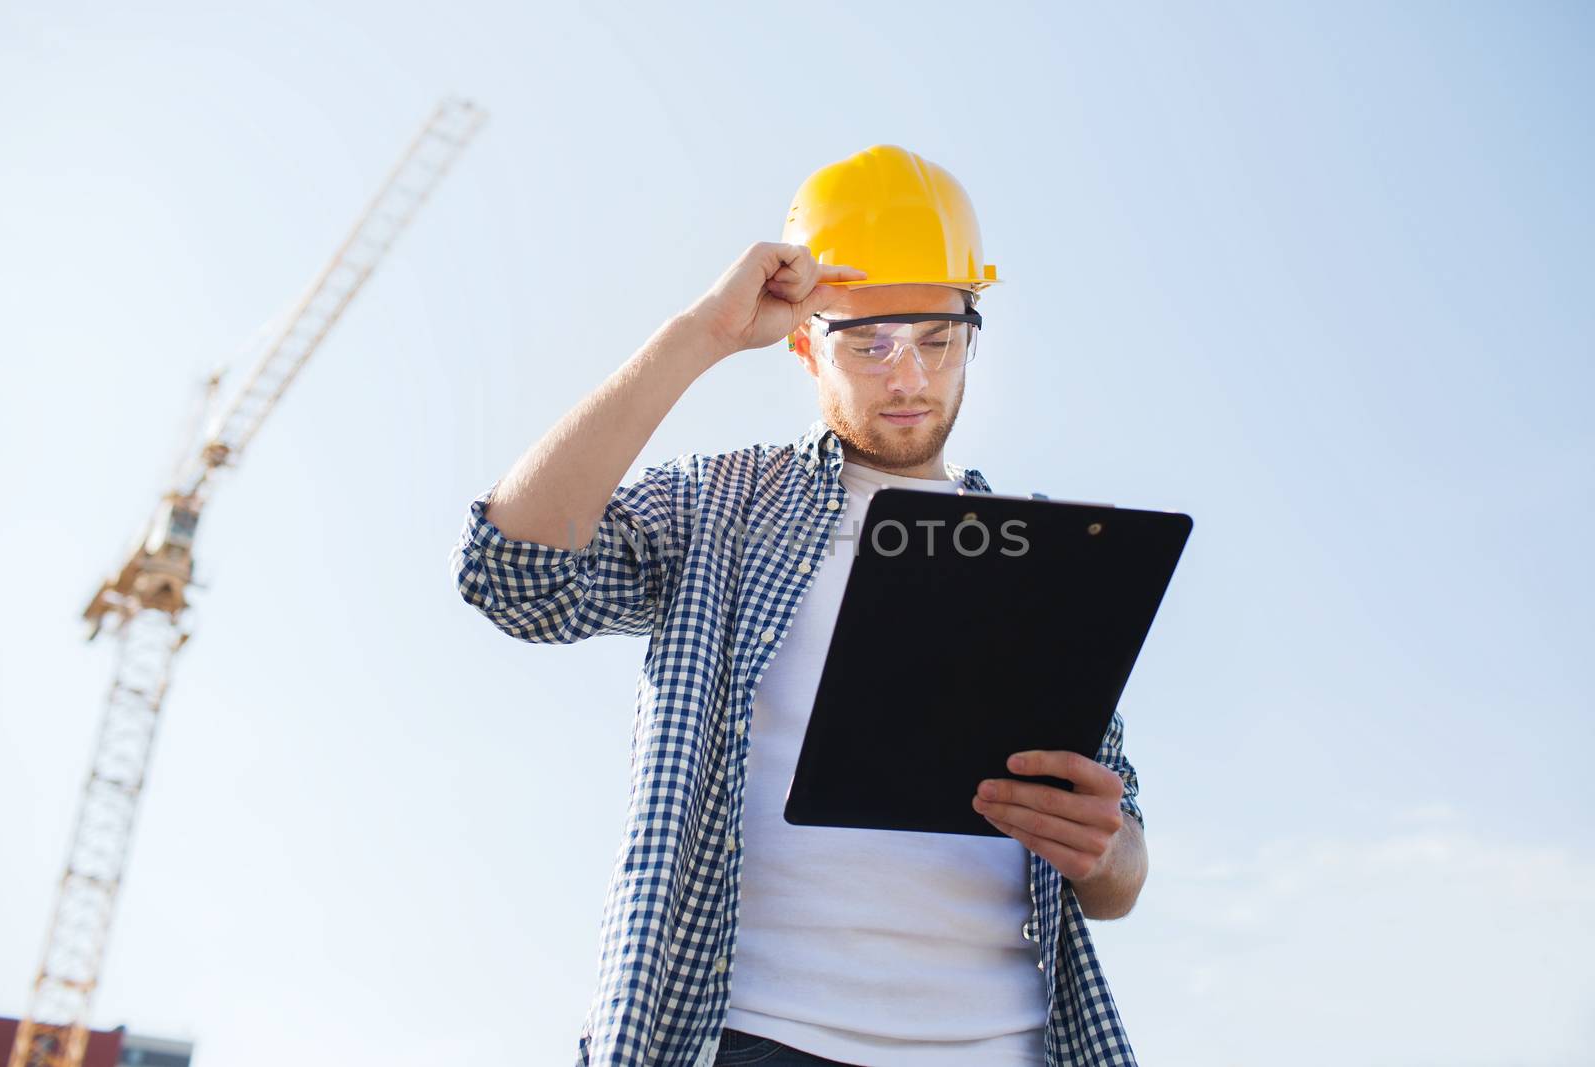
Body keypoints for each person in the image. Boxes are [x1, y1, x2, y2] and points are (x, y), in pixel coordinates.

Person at [450, 145, 1148, 1067]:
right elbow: (514, 575)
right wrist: (699, 334)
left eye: (938, 339)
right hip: (752, 1038)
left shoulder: (1051, 558)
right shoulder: (718, 509)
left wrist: (1106, 850)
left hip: (1004, 1047)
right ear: (804, 342)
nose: (908, 378)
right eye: (870, 342)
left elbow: (1122, 871)